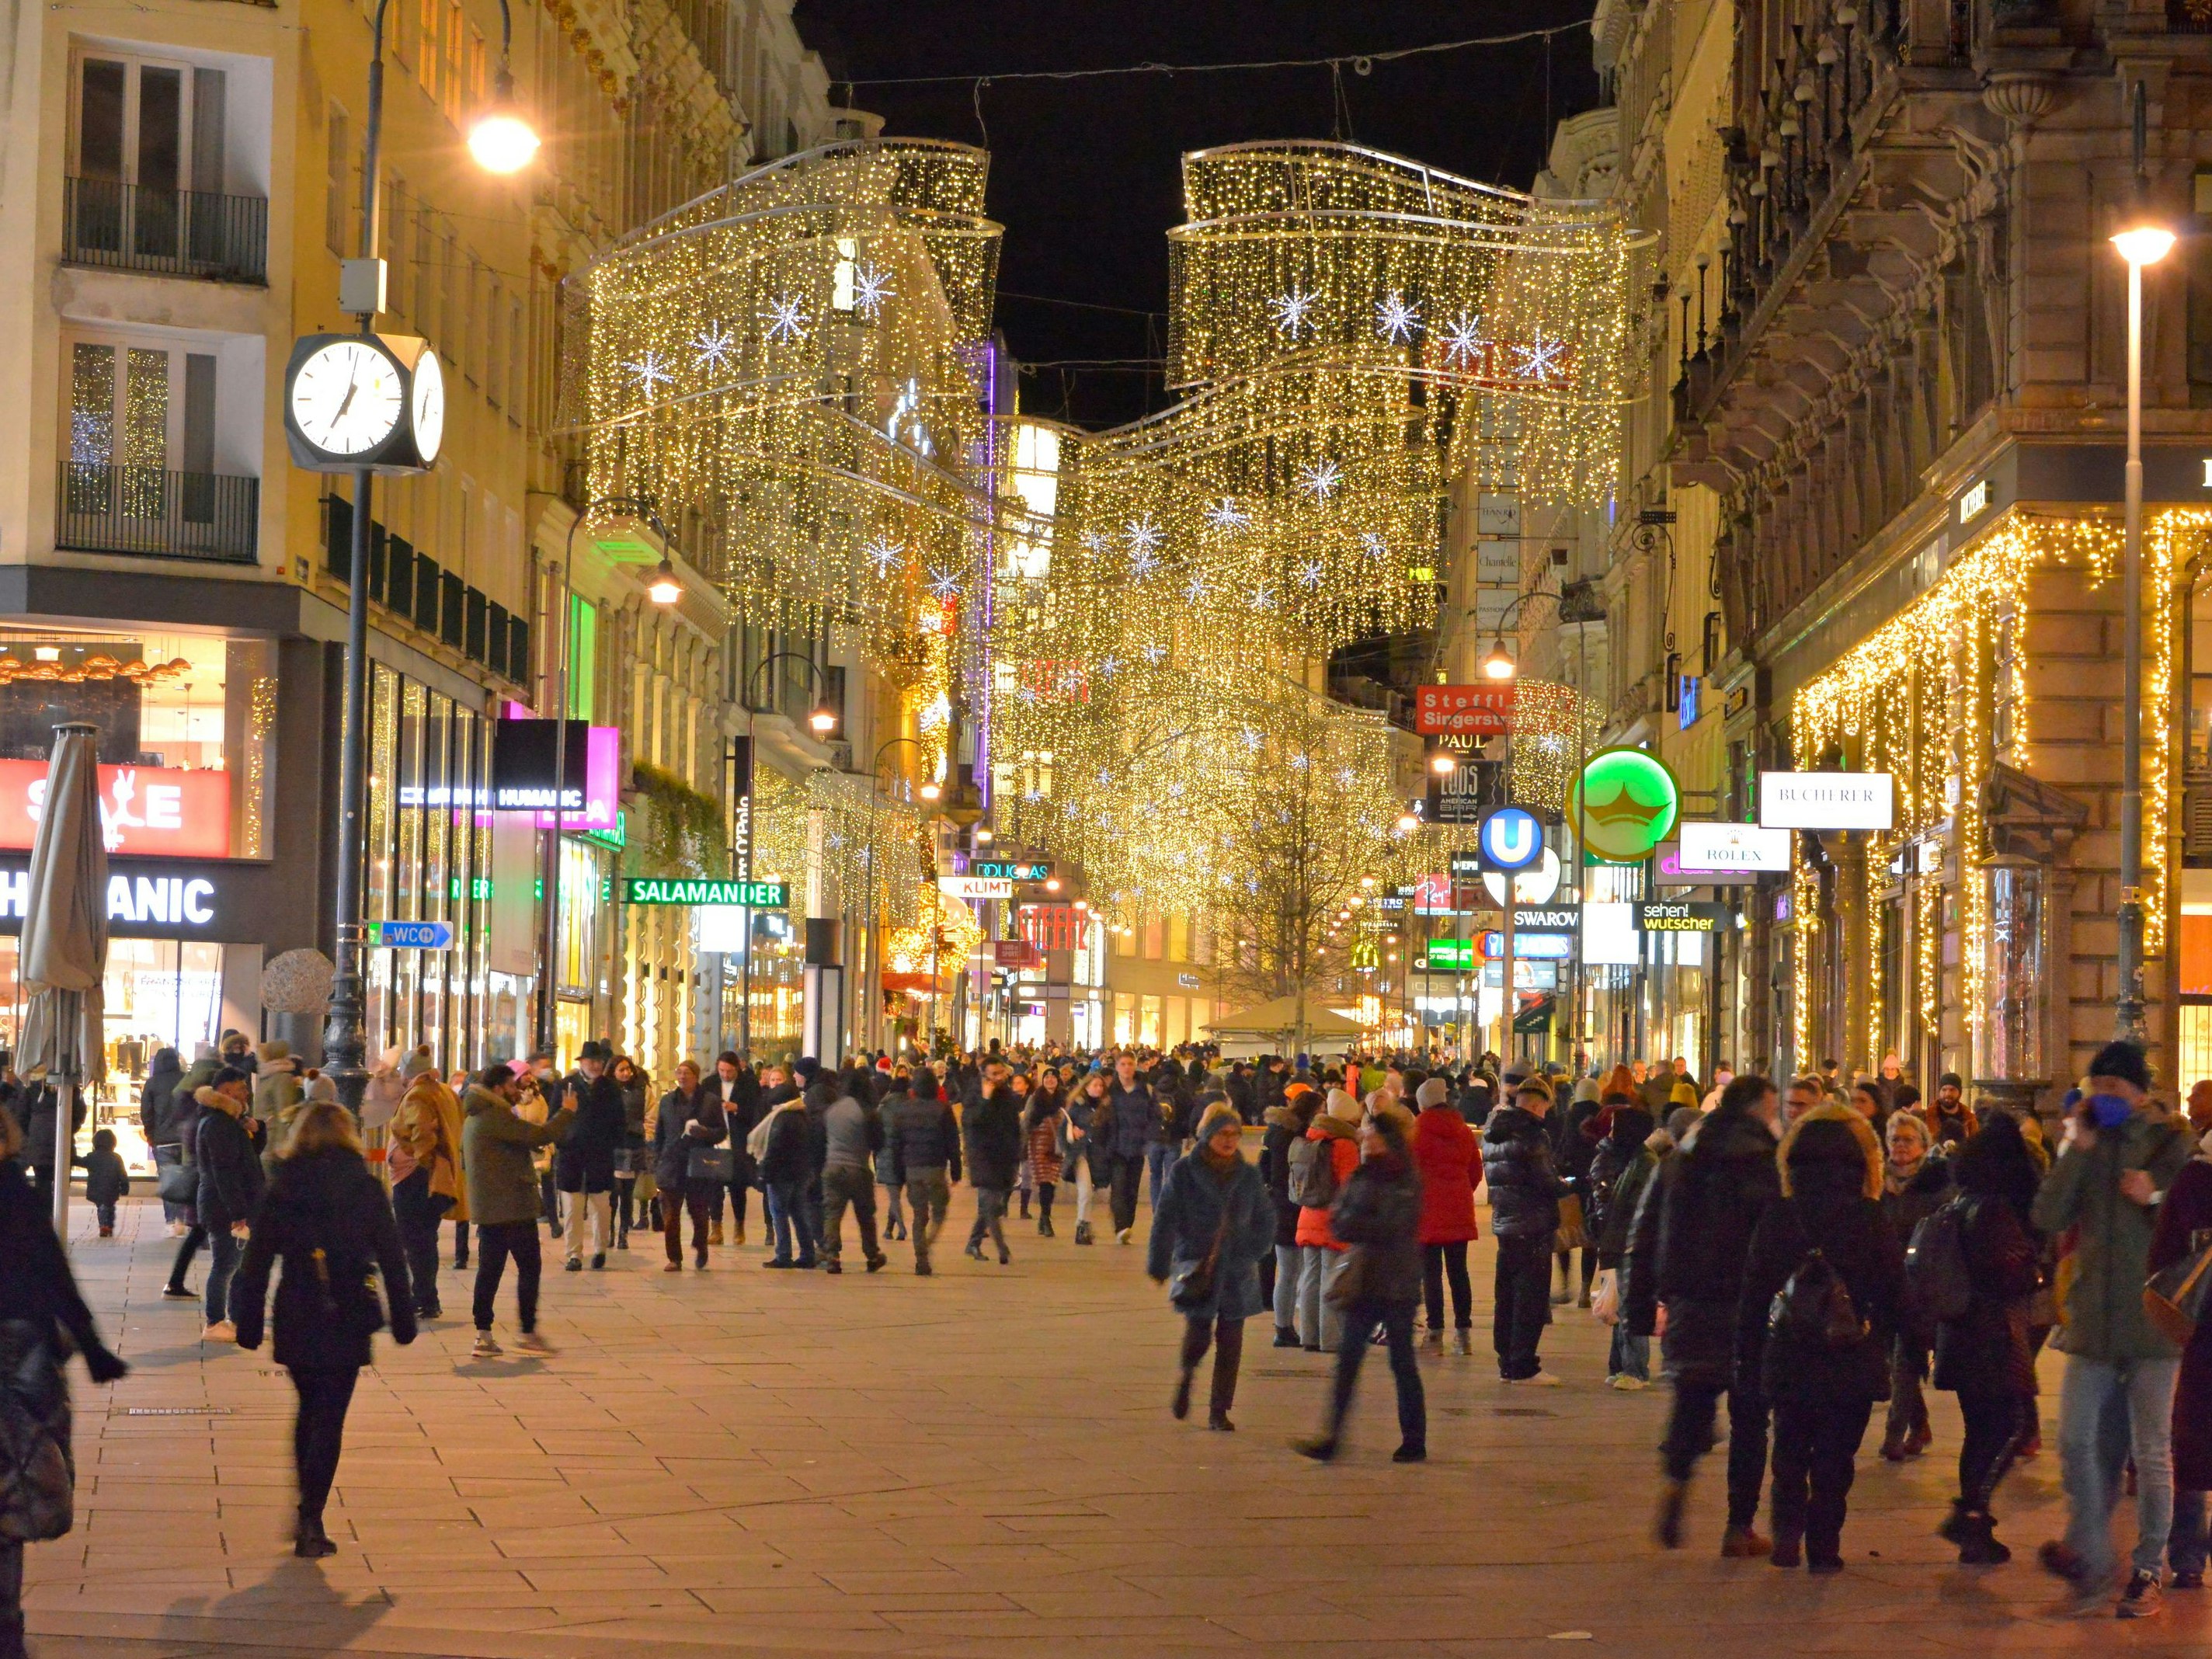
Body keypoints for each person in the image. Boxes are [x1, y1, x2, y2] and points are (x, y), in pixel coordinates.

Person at [2034, 1040, 2195, 1616]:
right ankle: (2095, 1559)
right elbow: (2048, 1215)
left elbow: (2196, 1211)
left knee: (2152, 1454)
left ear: (2138, 1090)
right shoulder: (2090, 1143)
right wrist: (2077, 1148)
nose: (2103, 1096)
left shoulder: (2171, 1138)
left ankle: (2148, 1568)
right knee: (2075, 1440)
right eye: (2095, 1086)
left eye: (2113, 1087)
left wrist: (2151, 1193)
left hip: (2153, 1324)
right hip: (2094, 1325)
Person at [229, 1101, 415, 1558]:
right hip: (348, 1311)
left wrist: (249, 1320)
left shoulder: (284, 1186)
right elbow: (392, 1256)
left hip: (298, 1308)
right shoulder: (364, 1188)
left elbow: (254, 1262)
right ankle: (311, 1514)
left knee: (309, 1407)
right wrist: (404, 1317)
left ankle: (307, 1507)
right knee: (330, 1416)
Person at [1735, 1104, 1905, 1573]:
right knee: (1835, 1455)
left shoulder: (1780, 1214)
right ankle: (1824, 1546)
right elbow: (1893, 1288)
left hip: (1789, 1352)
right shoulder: (1869, 1217)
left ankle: (1787, 1537)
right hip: (1848, 1354)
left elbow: (1754, 1290)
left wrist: (1748, 1355)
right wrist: (1905, 1345)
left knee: (1789, 1446)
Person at [1629, 1073, 1782, 1556]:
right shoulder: (1766, 1163)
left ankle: (1676, 1483)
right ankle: (1739, 1526)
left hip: (1691, 1303)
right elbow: (1779, 1238)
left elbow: (1647, 1233)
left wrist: (1639, 1309)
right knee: (1750, 1418)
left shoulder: (1679, 1162)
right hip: (1748, 1306)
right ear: (1758, 1109)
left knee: (1691, 1400)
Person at [0, 1104, 127, 1657]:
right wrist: (93, 1347)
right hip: (20, 1356)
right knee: (9, 1495)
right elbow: (55, 1277)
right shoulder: (17, 1199)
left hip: (17, 1355)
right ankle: (6, 1631)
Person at [1931, 1115, 2046, 1565]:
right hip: (1993, 1335)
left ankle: (1975, 1527)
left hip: (1961, 1334)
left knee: (1981, 1430)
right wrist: (2035, 1272)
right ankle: (1972, 1512)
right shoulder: (1995, 1210)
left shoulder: (1962, 1202)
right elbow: (2007, 1274)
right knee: (2009, 1426)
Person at [1295, 1107, 1428, 1463]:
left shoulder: (1405, 1177)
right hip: (1364, 1279)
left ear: (1385, 1140)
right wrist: (1363, 1223)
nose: (1363, 1141)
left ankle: (1414, 1440)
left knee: (1402, 1362)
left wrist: (1361, 1223)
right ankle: (1332, 1438)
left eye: (1369, 1136)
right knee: (1348, 1360)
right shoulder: (1363, 1174)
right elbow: (1339, 1221)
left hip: (1397, 1281)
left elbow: (1393, 1225)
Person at [1149, 1101, 1273, 1431]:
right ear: (1207, 1135)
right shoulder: (1184, 1171)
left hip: (1237, 1268)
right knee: (1199, 1333)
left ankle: (1219, 1410)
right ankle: (1188, 1377)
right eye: (1223, 1134)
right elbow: (1166, 1218)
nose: (1230, 1140)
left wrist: (1250, 1252)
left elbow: (1265, 1221)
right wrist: (1160, 1261)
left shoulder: (1248, 1175)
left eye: (1235, 1134)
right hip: (1198, 1263)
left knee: (1232, 1341)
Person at [461, 1062, 572, 1358]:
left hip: (494, 1206)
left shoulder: (478, 1114)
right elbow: (538, 1135)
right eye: (512, 1085)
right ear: (499, 1088)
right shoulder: (494, 1115)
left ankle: (484, 1335)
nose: (517, 1089)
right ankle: (524, 1332)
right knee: (527, 1267)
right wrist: (568, 1111)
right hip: (509, 1206)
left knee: (490, 1270)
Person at [2153, 1111, 2212, 1590]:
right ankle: (2189, 1553)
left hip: (2203, 1334)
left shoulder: (2194, 1176)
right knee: (2193, 1442)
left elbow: (2163, 1256)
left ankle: (2190, 1554)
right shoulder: (2195, 1177)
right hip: (2205, 1332)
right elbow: (2166, 1255)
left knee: (2194, 1439)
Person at [1483, 1074, 1567, 1386]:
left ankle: (1506, 1358)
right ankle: (1523, 1364)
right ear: (1536, 1106)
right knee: (1530, 1295)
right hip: (1533, 1223)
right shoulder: (1532, 1134)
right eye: (1544, 1109)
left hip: (1505, 1222)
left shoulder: (1492, 1134)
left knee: (1506, 1294)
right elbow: (1545, 1181)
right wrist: (1567, 1185)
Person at [1878, 1110, 1951, 1462]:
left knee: (1905, 1355)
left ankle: (1895, 1434)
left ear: (1923, 1145)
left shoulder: (1937, 1181)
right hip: (1885, 1279)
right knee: (1894, 1358)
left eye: (1907, 1139)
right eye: (1894, 1139)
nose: (1900, 1146)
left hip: (1921, 1283)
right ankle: (1919, 1423)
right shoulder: (1878, 1181)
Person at [1588, 1095, 1659, 1388]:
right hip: (1616, 1241)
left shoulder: (1645, 1163)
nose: (1611, 1132)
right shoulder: (1631, 1160)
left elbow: (1641, 1207)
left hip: (1629, 1243)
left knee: (1630, 1306)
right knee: (1618, 1306)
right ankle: (1621, 1366)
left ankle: (1635, 1370)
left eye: (1617, 1127)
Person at [386, 1060, 465, 1320]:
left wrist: (421, 1157)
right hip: (433, 1178)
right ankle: (426, 1296)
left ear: (407, 1074)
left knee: (414, 1240)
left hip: (413, 1177)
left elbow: (420, 1133)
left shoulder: (418, 1093)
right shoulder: (444, 1091)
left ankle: (423, 1298)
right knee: (426, 1239)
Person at [193, 1067, 265, 1343]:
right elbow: (225, 1171)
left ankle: (236, 1319)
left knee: (240, 1266)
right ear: (225, 1091)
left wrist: (257, 1131)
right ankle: (214, 1322)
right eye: (241, 1087)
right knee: (225, 1266)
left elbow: (247, 1157)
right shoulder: (218, 1124)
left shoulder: (229, 1121)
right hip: (223, 1206)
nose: (247, 1092)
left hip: (233, 1203)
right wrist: (238, 1213)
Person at [1292, 1088, 1363, 1353]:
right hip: (1332, 1220)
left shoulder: (1311, 1138)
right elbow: (1349, 1186)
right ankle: (1330, 1338)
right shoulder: (1343, 1144)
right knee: (1329, 1279)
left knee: (1310, 1278)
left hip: (1308, 1215)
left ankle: (1308, 1335)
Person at [1412, 1076, 1480, 1353]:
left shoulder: (1415, 1132)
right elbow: (1475, 1171)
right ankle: (1463, 1335)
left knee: (1431, 1274)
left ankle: (1435, 1333)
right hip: (1459, 1209)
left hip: (1425, 1211)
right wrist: (1462, 1192)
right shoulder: (1463, 1130)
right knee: (1459, 1272)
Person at [556, 1041, 625, 1271]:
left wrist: (611, 1144)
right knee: (573, 1209)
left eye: (599, 1061)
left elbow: (620, 1123)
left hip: (600, 1157)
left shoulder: (610, 1087)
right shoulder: (566, 1085)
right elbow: (553, 1118)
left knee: (601, 1207)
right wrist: (563, 1141)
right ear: (582, 1062)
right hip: (571, 1157)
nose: (596, 1065)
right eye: (592, 1061)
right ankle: (573, 1254)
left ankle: (600, 1250)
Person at [882, 1072, 961, 1275]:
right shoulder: (943, 1109)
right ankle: (926, 1244)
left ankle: (921, 1258)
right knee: (939, 1211)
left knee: (919, 1215)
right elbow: (953, 1142)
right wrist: (956, 1171)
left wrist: (898, 1171)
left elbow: (896, 1144)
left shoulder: (904, 1110)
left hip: (912, 1170)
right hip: (935, 1168)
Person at [1260, 1080, 1320, 1347]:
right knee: (1303, 1271)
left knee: (1286, 1272)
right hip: (1296, 1207)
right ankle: (1301, 1327)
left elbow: (1263, 1171)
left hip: (1277, 1206)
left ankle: (1282, 1328)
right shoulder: (1302, 1138)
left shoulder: (1274, 1134)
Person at [654, 1062, 724, 1271]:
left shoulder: (710, 1101)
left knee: (699, 1211)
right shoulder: (667, 1101)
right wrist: (657, 1160)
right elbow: (660, 1133)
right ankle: (674, 1257)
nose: (682, 1077)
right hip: (672, 1162)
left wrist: (706, 1133)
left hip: (699, 1162)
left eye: (687, 1073)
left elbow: (721, 1131)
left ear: (696, 1076)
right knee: (670, 1215)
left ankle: (701, 1246)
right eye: (679, 1073)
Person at [819, 1069, 887, 1275]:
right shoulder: (866, 1111)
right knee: (865, 1216)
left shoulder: (832, 1110)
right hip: (858, 1169)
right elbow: (879, 1142)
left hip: (832, 1168)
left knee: (832, 1213)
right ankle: (872, 1255)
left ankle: (832, 1255)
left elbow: (821, 1139)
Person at [963, 1060, 1024, 1264]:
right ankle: (1002, 1247)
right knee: (990, 1204)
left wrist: (1017, 1154)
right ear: (984, 1075)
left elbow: (1014, 1127)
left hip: (1004, 1157)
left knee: (991, 1204)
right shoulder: (975, 1094)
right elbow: (972, 1122)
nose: (1000, 1077)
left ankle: (973, 1242)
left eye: (1002, 1073)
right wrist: (986, 1099)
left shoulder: (1007, 1095)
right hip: (983, 1156)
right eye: (995, 1073)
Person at [755, 1072, 818, 1269]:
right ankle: (808, 1254)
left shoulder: (782, 1120)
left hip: (781, 1175)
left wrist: (764, 1173)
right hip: (801, 1173)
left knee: (779, 1214)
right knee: (799, 1213)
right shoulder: (803, 1116)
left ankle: (783, 1255)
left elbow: (774, 1150)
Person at [1104, 1052, 1155, 1245]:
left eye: (1130, 1064)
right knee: (1118, 1188)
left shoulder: (1145, 1091)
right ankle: (1120, 1227)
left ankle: (1127, 1226)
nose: (1126, 1068)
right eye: (1123, 1064)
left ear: (1135, 1067)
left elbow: (1154, 1115)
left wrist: (1148, 1137)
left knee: (1132, 1190)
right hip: (1116, 1148)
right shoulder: (1111, 1092)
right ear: (1117, 1067)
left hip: (1136, 1148)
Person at [139, 1045, 186, 1233]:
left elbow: (146, 1113)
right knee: (186, 1180)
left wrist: (151, 1134)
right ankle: (183, 1219)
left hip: (163, 1140)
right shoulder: (186, 1079)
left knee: (168, 1181)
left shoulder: (152, 1083)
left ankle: (171, 1221)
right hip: (185, 1139)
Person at [1065, 1071, 1112, 1245]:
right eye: (1095, 1085)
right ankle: (1082, 1227)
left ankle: (1083, 1224)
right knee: (1085, 1191)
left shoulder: (1106, 1108)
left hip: (1098, 1155)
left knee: (1090, 1192)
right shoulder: (1076, 1107)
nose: (1098, 1089)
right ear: (1086, 1087)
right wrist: (1073, 1133)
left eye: (1101, 1086)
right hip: (1080, 1153)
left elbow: (1110, 1132)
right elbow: (1064, 1130)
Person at [1022, 1077, 1067, 1239]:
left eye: (1053, 1077)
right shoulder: (1035, 1098)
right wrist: (1022, 1143)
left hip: (1056, 1145)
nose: (1050, 1080)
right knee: (1044, 1181)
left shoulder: (1064, 1098)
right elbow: (1027, 1121)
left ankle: (1044, 1215)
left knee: (1052, 1181)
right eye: (1046, 1077)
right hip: (1038, 1144)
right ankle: (1046, 1218)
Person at [612, 1056, 649, 1250]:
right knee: (612, 1193)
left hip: (632, 1144)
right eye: (621, 1070)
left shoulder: (641, 1089)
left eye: (628, 1069)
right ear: (613, 1072)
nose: (626, 1073)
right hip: (611, 1147)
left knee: (626, 1192)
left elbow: (650, 1115)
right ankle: (609, 1229)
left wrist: (646, 1134)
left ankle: (622, 1233)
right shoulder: (606, 1090)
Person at [82, 1128, 127, 1237]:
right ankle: (108, 1226)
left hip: (95, 1188)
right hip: (112, 1188)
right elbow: (122, 1174)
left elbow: (80, 1162)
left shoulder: (91, 1157)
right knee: (110, 1207)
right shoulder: (116, 1158)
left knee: (101, 1207)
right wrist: (125, 1187)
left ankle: (103, 1225)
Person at [1925, 1073, 1979, 1150]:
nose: (1948, 1094)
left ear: (1959, 1093)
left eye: (1952, 1090)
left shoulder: (1970, 1119)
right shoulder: (1927, 1116)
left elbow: (1975, 1146)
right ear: (1939, 1092)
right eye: (1944, 1090)